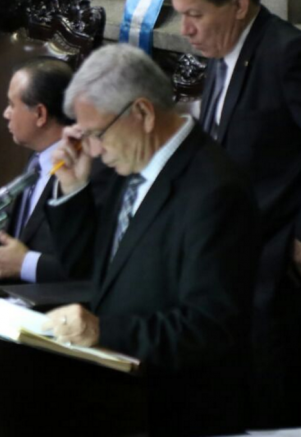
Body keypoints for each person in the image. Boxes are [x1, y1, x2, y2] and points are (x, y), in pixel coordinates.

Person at [44, 44, 258, 436]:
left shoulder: (215, 190)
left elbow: (208, 327)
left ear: (142, 113)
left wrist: (103, 331)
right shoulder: (129, 163)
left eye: (97, 134)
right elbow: (93, 272)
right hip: (121, 402)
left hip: (178, 411)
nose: (90, 148)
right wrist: (74, 188)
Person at [169, 0, 301, 427]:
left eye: (195, 15)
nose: (185, 30)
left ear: (239, 5)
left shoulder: (286, 53)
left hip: (274, 263)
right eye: (181, 15)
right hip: (226, 253)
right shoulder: (221, 51)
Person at [0, 58, 74, 283]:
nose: (6, 113)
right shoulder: (37, 159)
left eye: (12, 104)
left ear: (40, 114)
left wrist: (27, 264)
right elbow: (19, 235)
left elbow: (85, 268)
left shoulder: (81, 175)